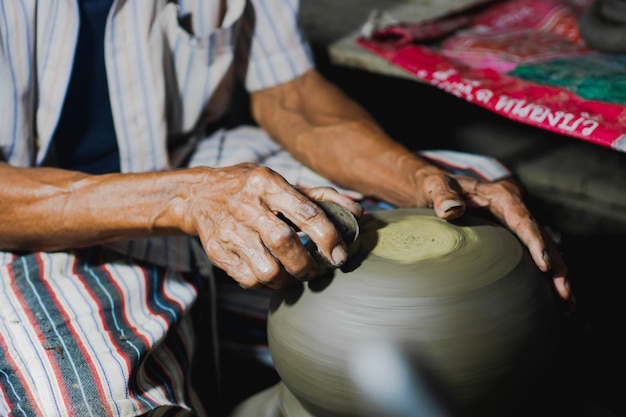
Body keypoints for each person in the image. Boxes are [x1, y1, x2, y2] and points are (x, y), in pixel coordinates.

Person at [0, 0, 572, 416]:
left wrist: (415, 178)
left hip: (193, 156)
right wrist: (185, 197)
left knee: (491, 214)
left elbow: (291, 95)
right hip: (38, 214)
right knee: (90, 404)